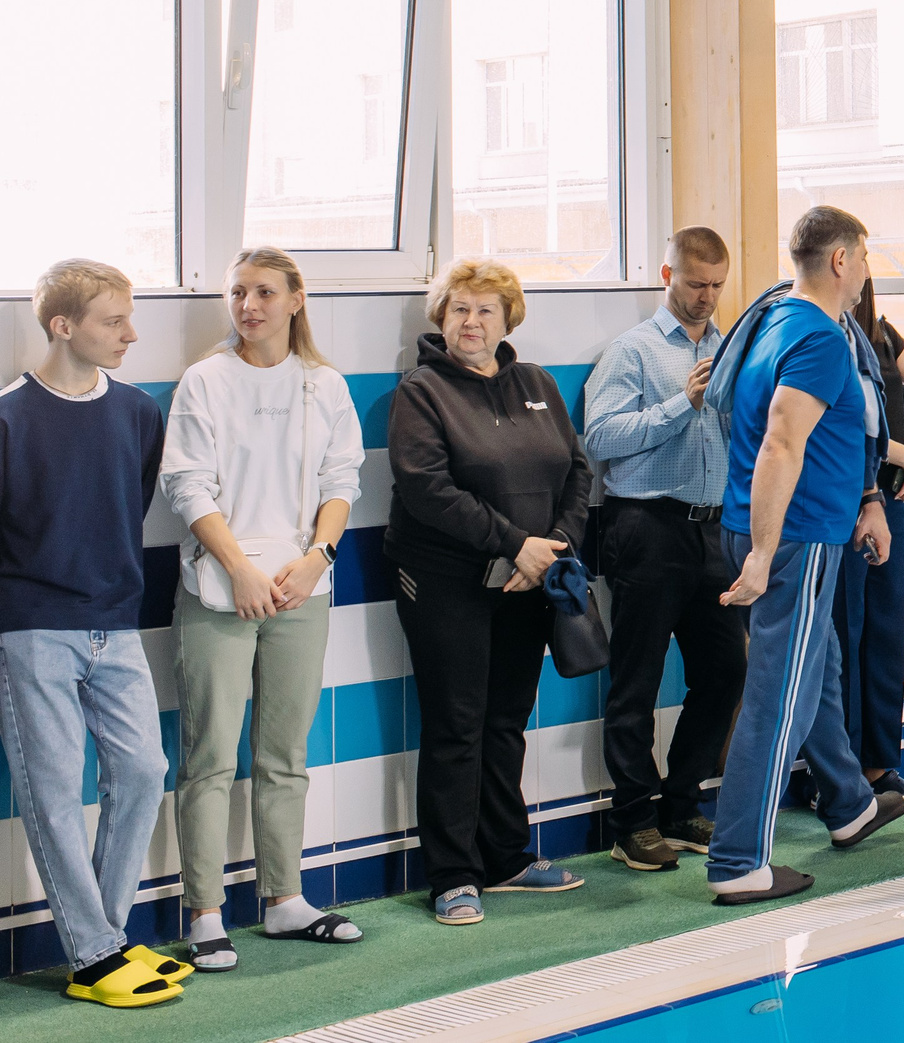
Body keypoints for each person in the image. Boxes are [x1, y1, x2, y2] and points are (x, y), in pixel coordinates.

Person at [165, 247, 365, 969]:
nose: (249, 305)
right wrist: (240, 567)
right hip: (221, 587)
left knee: (284, 756)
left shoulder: (325, 385)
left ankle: (284, 899)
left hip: (301, 585)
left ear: (296, 298)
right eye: (237, 292)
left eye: (264, 292)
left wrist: (319, 558)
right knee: (210, 757)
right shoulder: (205, 381)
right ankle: (206, 912)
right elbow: (187, 486)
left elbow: (343, 477)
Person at [703, 207, 904, 905]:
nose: (868, 272)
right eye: (867, 256)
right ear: (842, 260)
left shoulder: (773, 318)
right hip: (791, 538)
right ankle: (738, 860)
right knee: (776, 696)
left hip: (773, 527)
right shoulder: (820, 337)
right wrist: (763, 552)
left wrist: (862, 499)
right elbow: (781, 444)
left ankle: (849, 803)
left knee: (812, 672)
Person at [0, 261, 186, 1006]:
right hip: (33, 627)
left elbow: (130, 502)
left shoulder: (138, 412)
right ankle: (96, 953)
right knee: (50, 792)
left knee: (143, 769)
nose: (131, 333)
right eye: (115, 320)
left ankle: (103, 938)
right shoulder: (9, 417)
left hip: (116, 622)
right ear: (63, 325)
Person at [388, 259, 593, 926]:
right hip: (449, 583)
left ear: (508, 320)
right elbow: (428, 487)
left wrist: (551, 546)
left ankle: (505, 857)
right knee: (456, 726)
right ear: (440, 318)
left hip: (529, 580)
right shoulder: (421, 391)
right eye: (458, 310)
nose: (470, 322)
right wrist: (515, 543)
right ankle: (452, 874)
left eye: (484, 310)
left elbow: (578, 469)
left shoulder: (534, 383)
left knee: (505, 721)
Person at [581, 227, 746, 874]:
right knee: (637, 679)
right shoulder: (633, 352)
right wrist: (684, 402)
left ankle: (681, 803)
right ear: (666, 274)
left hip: (712, 528)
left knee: (725, 669)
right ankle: (632, 820)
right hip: (646, 525)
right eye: (694, 283)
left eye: (716, 285)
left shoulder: (732, 348)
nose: (706, 297)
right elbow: (601, 436)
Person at [820, 278, 904, 808]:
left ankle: (878, 767)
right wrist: (899, 457)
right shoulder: (819, 337)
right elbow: (838, 425)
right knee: (845, 635)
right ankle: (836, 776)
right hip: (845, 498)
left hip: (896, 497)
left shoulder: (885, 335)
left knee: (888, 629)